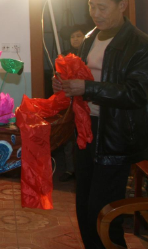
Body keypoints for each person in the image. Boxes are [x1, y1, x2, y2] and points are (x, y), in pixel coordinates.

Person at [53, 0, 148, 248]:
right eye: (91, 6)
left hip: (115, 134)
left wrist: (87, 88)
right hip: (86, 129)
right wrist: (66, 84)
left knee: (104, 212)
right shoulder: (89, 39)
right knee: (84, 204)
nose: (95, 13)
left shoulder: (142, 45)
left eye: (102, 7)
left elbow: (137, 94)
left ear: (122, 5)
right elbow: (82, 76)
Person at [58, 23, 90, 182]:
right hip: (69, 100)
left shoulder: (90, 54)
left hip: (87, 101)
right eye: (72, 37)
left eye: (79, 36)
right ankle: (70, 169)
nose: (75, 39)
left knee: (85, 135)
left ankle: (84, 170)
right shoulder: (64, 55)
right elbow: (58, 77)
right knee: (69, 137)